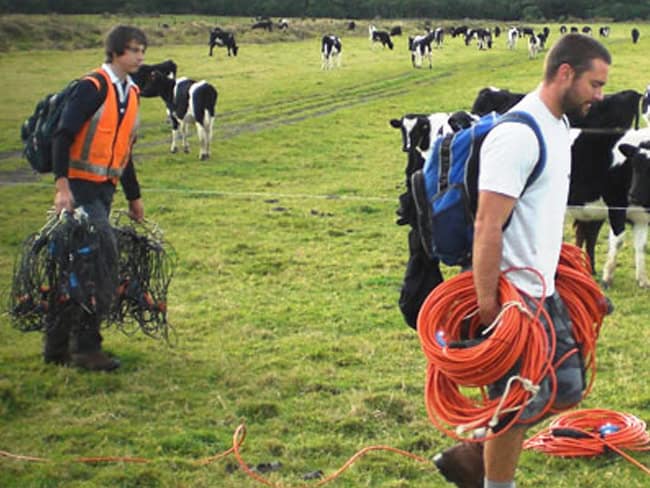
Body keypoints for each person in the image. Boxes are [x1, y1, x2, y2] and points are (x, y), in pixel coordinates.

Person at [434, 34, 611, 488]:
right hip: (514, 298)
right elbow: (487, 226)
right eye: (595, 84)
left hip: (544, 288)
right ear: (565, 73)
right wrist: (490, 304)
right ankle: (494, 480)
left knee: (564, 386)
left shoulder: (557, 126)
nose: (600, 95)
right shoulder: (517, 135)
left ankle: (475, 451)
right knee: (515, 404)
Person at [44, 25, 148, 371]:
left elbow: (125, 152)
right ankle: (87, 347)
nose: (139, 56)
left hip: (106, 189)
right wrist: (62, 188)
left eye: (142, 51)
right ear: (116, 52)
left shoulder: (131, 93)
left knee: (77, 264)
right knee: (99, 260)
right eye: (133, 50)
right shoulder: (92, 88)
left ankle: (56, 346)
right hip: (79, 189)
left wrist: (134, 197)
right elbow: (63, 135)